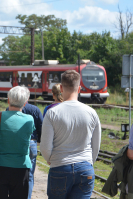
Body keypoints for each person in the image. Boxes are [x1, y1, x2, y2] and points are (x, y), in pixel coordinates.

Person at [41, 70, 101, 199]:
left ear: (61, 88)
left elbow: (45, 147)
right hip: (85, 168)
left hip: (59, 167)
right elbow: (95, 147)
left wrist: (51, 160)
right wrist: (88, 162)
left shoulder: (52, 113)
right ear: (79, 88)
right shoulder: (92, 113)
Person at [6, 87, 43, 199]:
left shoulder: (9, 109)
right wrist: (39, 141)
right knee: (30, 176)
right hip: (31, 143)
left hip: (14, 143)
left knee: (13, 172)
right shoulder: (35, 110)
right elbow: (42, 128)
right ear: (27, 98)